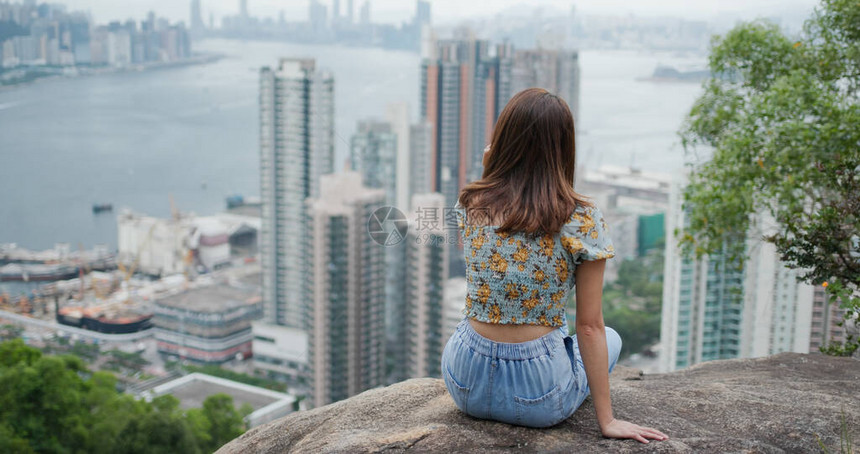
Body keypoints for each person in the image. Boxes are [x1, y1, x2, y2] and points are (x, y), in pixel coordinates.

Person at [441, 88, 668, 444]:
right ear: (564, 147)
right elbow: (589, 326)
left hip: (463, 381)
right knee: (610, 337)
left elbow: (489, 265)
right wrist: (606, 421)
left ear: (503, 140)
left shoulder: (472, 202)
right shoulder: (581, 218)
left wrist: (489, 172)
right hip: (537, 397)